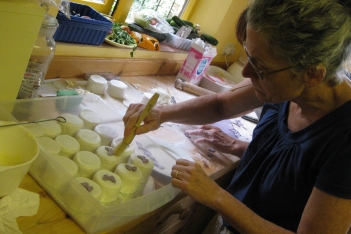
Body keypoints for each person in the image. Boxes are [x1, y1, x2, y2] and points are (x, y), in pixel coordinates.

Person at [122, 0, 351, 233]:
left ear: (312, 74)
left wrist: (217, 197)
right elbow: (221, 106)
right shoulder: (285, 83)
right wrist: (161, 113)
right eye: (249, 56)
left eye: (259, 67)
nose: (245, 72)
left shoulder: (344, 138)